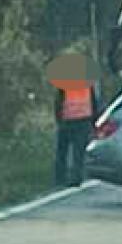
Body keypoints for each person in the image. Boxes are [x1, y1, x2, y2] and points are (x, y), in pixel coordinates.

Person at [48, 52, 102, 189]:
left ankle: (59, 179)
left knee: (62, 151)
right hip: (83, 120)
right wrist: (95, 120)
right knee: (78, 153)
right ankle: (76, 179)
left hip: (67, 120)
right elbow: (94, 102)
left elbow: (58, 102)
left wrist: (58, 119)